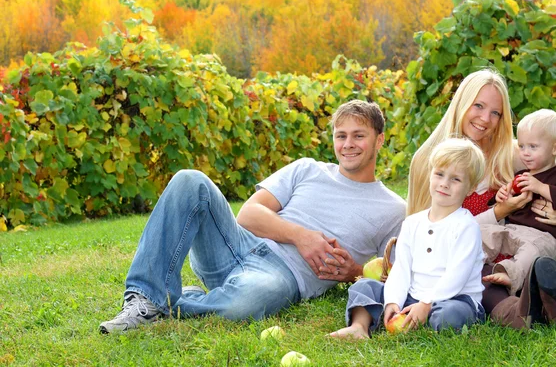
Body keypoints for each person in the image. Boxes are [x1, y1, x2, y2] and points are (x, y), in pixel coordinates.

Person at [99, 99, 406, 334]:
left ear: (379, 140)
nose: (348, 144)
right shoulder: (306, 169)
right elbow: (248, 214)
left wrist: (352, 270)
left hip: (281, 277)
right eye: (341, 136)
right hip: (235, 245)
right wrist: (303, 237)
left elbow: (393, 276)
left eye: (358, 136)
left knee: (245, 303)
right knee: (190, 181)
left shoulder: (393, 209)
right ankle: (142, 298)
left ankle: (167, 304)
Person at [405, 69, 556, 329]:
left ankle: (538, 298)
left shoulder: (510, 154)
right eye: (478, 106)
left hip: (509, 254)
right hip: (460, 263)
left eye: (495, 112)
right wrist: (498, 211)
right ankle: (532, 306)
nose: (485, 119)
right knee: (479, 276)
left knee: (506, 269)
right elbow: (426, 234)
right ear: (462, 103)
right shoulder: (428, 160)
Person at [329, 138, 487, 339]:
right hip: (412, 297)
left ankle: (425, 322)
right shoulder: (413, 223)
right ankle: (359, 327)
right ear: (430, 174)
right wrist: (393, 301)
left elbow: (456, 277)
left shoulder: (466, 226)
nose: (444, 184)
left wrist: (426, 304)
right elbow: (402, 268)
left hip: (453, 298)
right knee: (364, 286)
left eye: (456, 179)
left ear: (470, 188)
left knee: (451, 315)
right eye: (439, 174)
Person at [481, 109, 556, 295]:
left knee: (530, 252)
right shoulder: (522, 175)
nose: (525, 153)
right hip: (513, 231)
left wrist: (540, 188)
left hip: (544, 237)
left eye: (533, 147)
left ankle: (510, 275)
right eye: (521, 146)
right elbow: (504, 199)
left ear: (555, 148)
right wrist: (503, 195)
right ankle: (470, 261)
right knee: (485, 233)